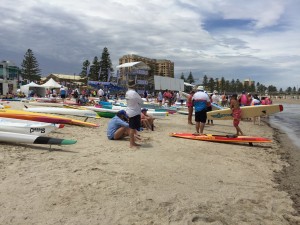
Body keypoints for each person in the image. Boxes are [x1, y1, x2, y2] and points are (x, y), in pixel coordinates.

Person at [125, 79, 144, 148]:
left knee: (132, 128)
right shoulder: (134, 93)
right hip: (134, 111)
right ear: (134, 86)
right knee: (132, 129)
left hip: (130, 111)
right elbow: (141, 102)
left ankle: (132, 143)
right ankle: (131, 143)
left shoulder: (127, 92)